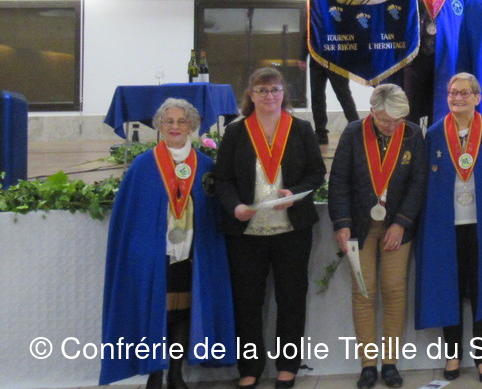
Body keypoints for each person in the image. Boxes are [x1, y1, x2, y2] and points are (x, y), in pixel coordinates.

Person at [100, 98, 235, 389]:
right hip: (153, 256)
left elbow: (215, 213)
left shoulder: (205, 166)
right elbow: (129, 216)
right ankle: (154, 373)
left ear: (192, 126)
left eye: (182, 121)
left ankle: (175, 374)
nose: (175, 126)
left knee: (184, 312)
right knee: (157, 312)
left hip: (192, 253)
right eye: (169, 121)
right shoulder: (143, 166)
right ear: (160, 125)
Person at [211, 67, 327, 388]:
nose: (269, 96)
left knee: (291, 300)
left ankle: (288, 367)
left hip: (292, 230)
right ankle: (250, 368)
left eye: (275, 89)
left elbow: (317, 173)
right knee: (247, 302)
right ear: (250, 95)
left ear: (283, 93)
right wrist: (235, 206)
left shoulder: (300, 129)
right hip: (247, 233)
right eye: (262, 90)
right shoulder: (236, 132)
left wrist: (295, 193)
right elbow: (222, 179)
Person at [417, 73, 482, 385]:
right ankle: (453, 355)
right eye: (452, 93)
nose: (457, 98)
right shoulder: (434, 133)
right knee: (449, 289)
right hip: (446, 227)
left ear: (477, 97)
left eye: (464, 93)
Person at [329, 84, 428, 389]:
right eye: (385, 120)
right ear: (372, 111)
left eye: (398, 120)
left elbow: (418, 183)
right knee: (364, 291)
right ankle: (368, 365)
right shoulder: (353, 133)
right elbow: (339, 181)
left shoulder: (412, 134)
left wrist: (401, 223)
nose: (392, 126)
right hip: (360, 226)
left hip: (397, 227)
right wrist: (342, 224)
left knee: (394, 290)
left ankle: (391, 364)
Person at [406, 0, 466, 127]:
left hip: (444, 58)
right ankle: (411, 141)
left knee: (440, 103)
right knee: (410, 104)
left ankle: (437, 140)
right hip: (414, 57)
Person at [308, 54, 359, 146]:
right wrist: (303, 56)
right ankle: (320, 133)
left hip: (337, 59)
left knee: (344, 95)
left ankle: (357, 130)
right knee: (316, 97)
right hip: (316, 58)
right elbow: (307, 42)